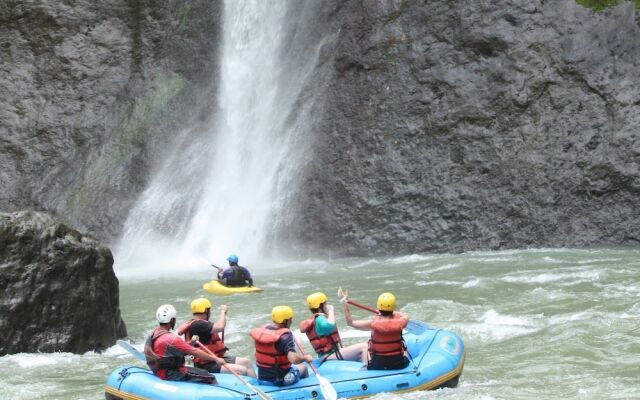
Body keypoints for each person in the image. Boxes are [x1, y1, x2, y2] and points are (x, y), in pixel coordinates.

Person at [144, 304, 226, 383]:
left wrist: (191, 342)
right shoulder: (172, 338)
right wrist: (216, 359)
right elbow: (195, 351)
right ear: (172, 320)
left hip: (158, 370)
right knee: (210, 377)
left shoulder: (154, 333)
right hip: (170, 373)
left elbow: (178, 348)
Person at [176, 298, 256, 377]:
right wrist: (223, 311)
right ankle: (250, 388)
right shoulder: (199, 325)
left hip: (215, 359)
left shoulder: (197, 323)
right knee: (242, 370)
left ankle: (258, 386)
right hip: (206, 364)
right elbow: (220, 327)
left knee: (247, 362)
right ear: (206, 311)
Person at [339, 290, 410, 370]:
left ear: (379, 307)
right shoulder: (401, 322)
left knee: (366, 348)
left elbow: (350, 322)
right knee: (406, 351)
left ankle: (366, 369)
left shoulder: (372, 324)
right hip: (398, 364)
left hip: (377, 365)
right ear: (393, 308)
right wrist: (394, 312)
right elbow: (406, 316)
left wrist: (345, 304)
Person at [250, 305, 313, 386]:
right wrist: (305, 357)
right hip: (279, 381)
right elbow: (293, 359)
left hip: (262, 378)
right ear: (285, 321)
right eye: (290, 319)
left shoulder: (263, 330)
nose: (292, 322)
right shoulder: (285, 336)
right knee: (303, 368)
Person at [299, 292, 368, 363]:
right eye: (325, 303)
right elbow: (329, 326)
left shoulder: (317, 319)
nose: (327, 305)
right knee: (364, 346)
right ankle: (367, 370)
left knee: (356, 351)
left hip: (327, 355)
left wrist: (344, 303)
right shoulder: (320, 319)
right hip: (328, 357)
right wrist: (331, 310)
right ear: (322, 305)